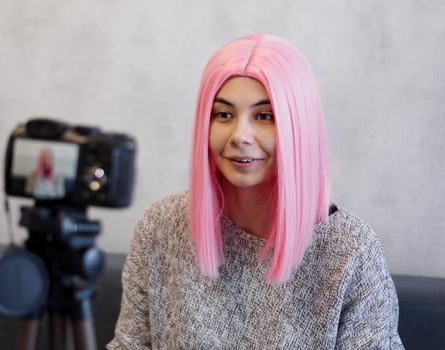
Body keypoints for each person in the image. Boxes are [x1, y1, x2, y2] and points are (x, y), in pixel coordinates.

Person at [108, 34, 404, 349]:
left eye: (264, 117)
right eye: (223, 115)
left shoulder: (351, 250)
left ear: (298, 127)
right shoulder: (161, 227)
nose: (240, 135)